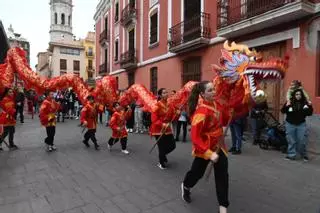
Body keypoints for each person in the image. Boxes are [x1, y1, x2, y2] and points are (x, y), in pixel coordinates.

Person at [181, 81, 232, 213]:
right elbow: (195, 137)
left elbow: (224, 119)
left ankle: (223, 206)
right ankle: (186, 186)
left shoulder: (217, 104)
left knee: (222, 176)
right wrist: (209, 153)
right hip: (205, 148)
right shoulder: (201, 112)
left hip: (220, 146)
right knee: (196, 174)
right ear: (202, 94)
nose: (214, 92)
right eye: (210, 90)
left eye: (214, 89)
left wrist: (232, 111)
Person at [150, 88, 178, 169]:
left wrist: (177, 114)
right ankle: (161, 163)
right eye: (164, 93)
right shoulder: (156, 105)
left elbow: (173, 117)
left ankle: (162, 155)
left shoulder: (170, 105)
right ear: (160, 95)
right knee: (161, 147)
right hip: (158, 129)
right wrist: (162, 124)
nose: (166, 94)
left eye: (166, 92)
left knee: (172, 145)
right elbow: (154, 119)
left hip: (168, 129)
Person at [281, 89, 313, 161]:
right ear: (294, 95)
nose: (298, 96)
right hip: (290, 124)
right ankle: (291, 155)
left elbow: (309, 113)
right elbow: (283, 111)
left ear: (302, 95)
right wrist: (286, 105)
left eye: (300, 94)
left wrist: (310, 106)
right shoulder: (289, 102)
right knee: (291, 140)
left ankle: (303, 154)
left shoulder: (305, 103)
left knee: (302, 140)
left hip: (301, 124)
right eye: (297, 94)